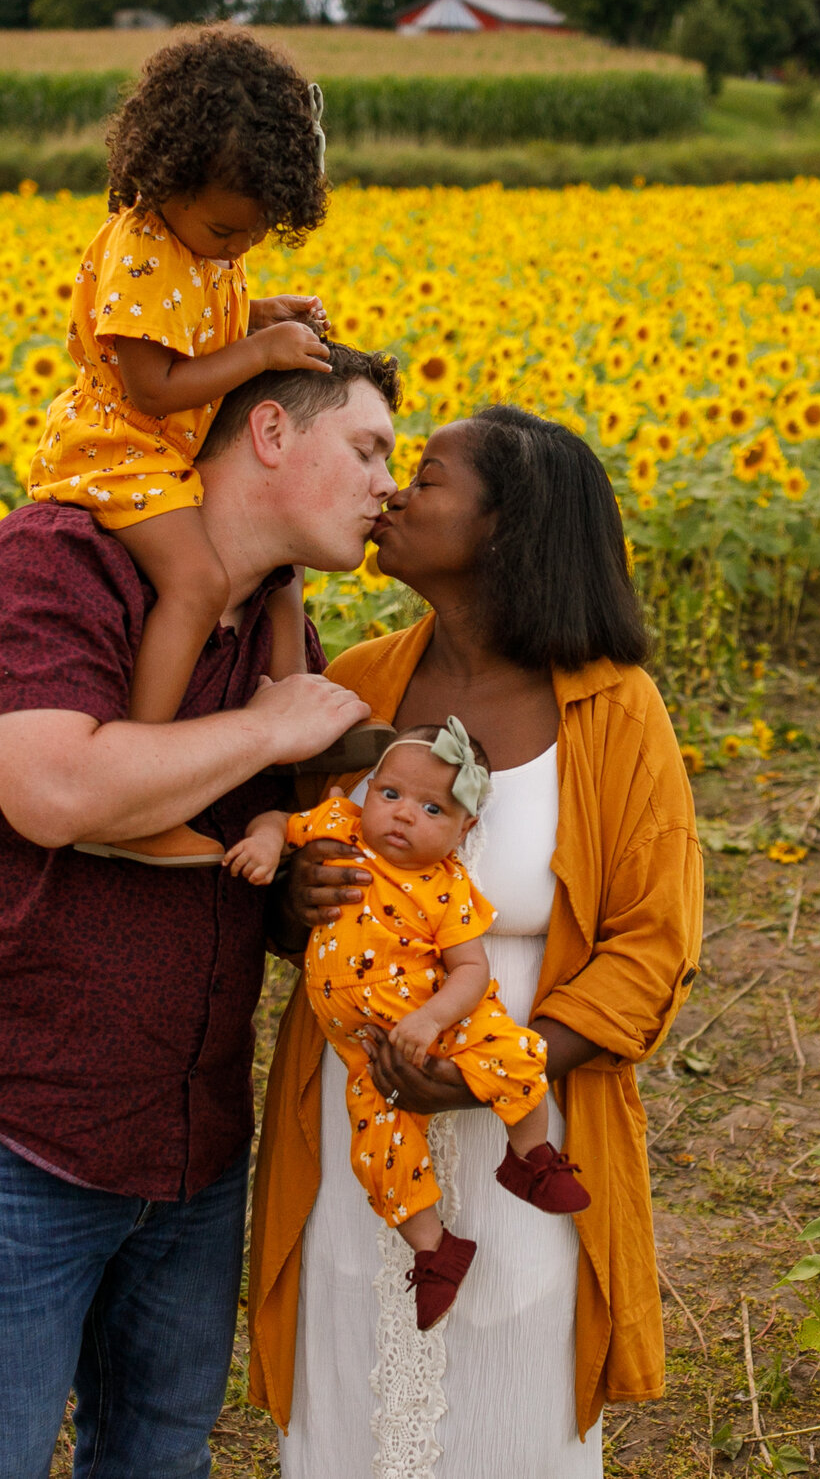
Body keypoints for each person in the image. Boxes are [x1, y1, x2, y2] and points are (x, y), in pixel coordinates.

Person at [0, 346, 400, 1479]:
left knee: (156, 1457)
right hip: (4, 1124)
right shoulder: (57, 557)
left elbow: (256, 860)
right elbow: (54, 791)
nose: (386, 483)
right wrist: (269, 731)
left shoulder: (281, 623)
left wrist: (312, 884)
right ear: (267, 432)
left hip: (187, 1137)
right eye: (366, 448)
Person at [249, 405, 705, 1478]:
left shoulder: (614, 711)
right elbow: (282, 895)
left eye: (429, 476)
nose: (393, 492)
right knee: (353, 1398)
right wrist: (293, 897)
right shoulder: (356, 681)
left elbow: (654, 943)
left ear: (508, 527)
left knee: (513, 1405)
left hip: (527, 1128)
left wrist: (504, 1070)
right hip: (352, 1121)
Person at [23, 24, 377, 868]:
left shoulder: (195, 242)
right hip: (119, 445)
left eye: (255, 236)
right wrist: (256, 354)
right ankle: (137, 793)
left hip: (159, 447)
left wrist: (259, 312)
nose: (238, 248)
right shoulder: (145, 249)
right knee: (198, 579)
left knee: (274, 583)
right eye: (227, 232)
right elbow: (152, 384)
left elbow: (195, 319)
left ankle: (288, 760)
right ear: (168, 179)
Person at [226, 721, 592, 1331]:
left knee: (517, 1052)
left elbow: (471, 971)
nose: (401, 816)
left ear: (464, 829)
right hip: (367, 1053)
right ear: (367, 792)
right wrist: (269, 845)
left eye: (431, 808)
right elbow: (275, 817)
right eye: (389, 794)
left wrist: (431, 1019)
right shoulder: (339, 828)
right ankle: (435, 1251)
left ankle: (530, 1154)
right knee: (379, 1153)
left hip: (442, 1021)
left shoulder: (447, 888)